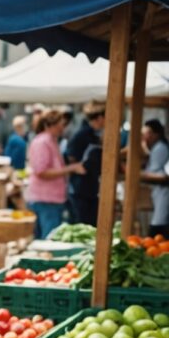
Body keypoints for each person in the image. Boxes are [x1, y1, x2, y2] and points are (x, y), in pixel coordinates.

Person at [26, 110, 83, 238]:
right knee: (48, 243)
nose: (63, 128)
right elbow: (42, 172)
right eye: (61, 124)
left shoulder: (50, 140)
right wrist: (71, 168)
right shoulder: (43, 141)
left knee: (47, 241)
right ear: (49, 125)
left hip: (50, 199)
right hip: (45, 200)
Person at [66, 102, 105, 226]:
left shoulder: (94, 135)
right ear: (99, 118)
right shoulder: (82, 134)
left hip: (91, 188)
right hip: (80, 189)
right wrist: (77, 166)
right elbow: (70, 155)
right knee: (82, 225)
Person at [140, 118, 169, 236]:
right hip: (159, 194)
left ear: (156, 134)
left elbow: (162, 176)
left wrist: (139, 174)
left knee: (158, 230)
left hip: (163, 193)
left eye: (148, 133)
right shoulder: (158, 147)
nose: (146, 137)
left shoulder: (160, 148)